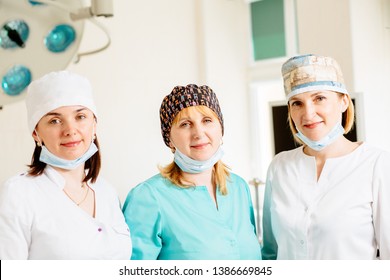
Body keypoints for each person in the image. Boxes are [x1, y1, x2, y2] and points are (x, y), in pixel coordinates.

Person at [261, 54, 390, 260]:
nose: (308, 113)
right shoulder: (279, 167)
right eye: (297, 103)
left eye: (319, 98)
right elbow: (270, 252)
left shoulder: (376, 164)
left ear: (343, 102)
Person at [0, 70, 132, 259]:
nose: (70, 130)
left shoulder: (107, 192)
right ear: (36, 133)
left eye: (80, 117)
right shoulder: (18, 193)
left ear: (94, 125)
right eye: (55, 120)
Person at [122, 84, 262, 260]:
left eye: (207, 121)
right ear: (169, 139)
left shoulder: (239, 187)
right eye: (185, 124)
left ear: (221, 128)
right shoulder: (148, 197)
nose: (198, 133)